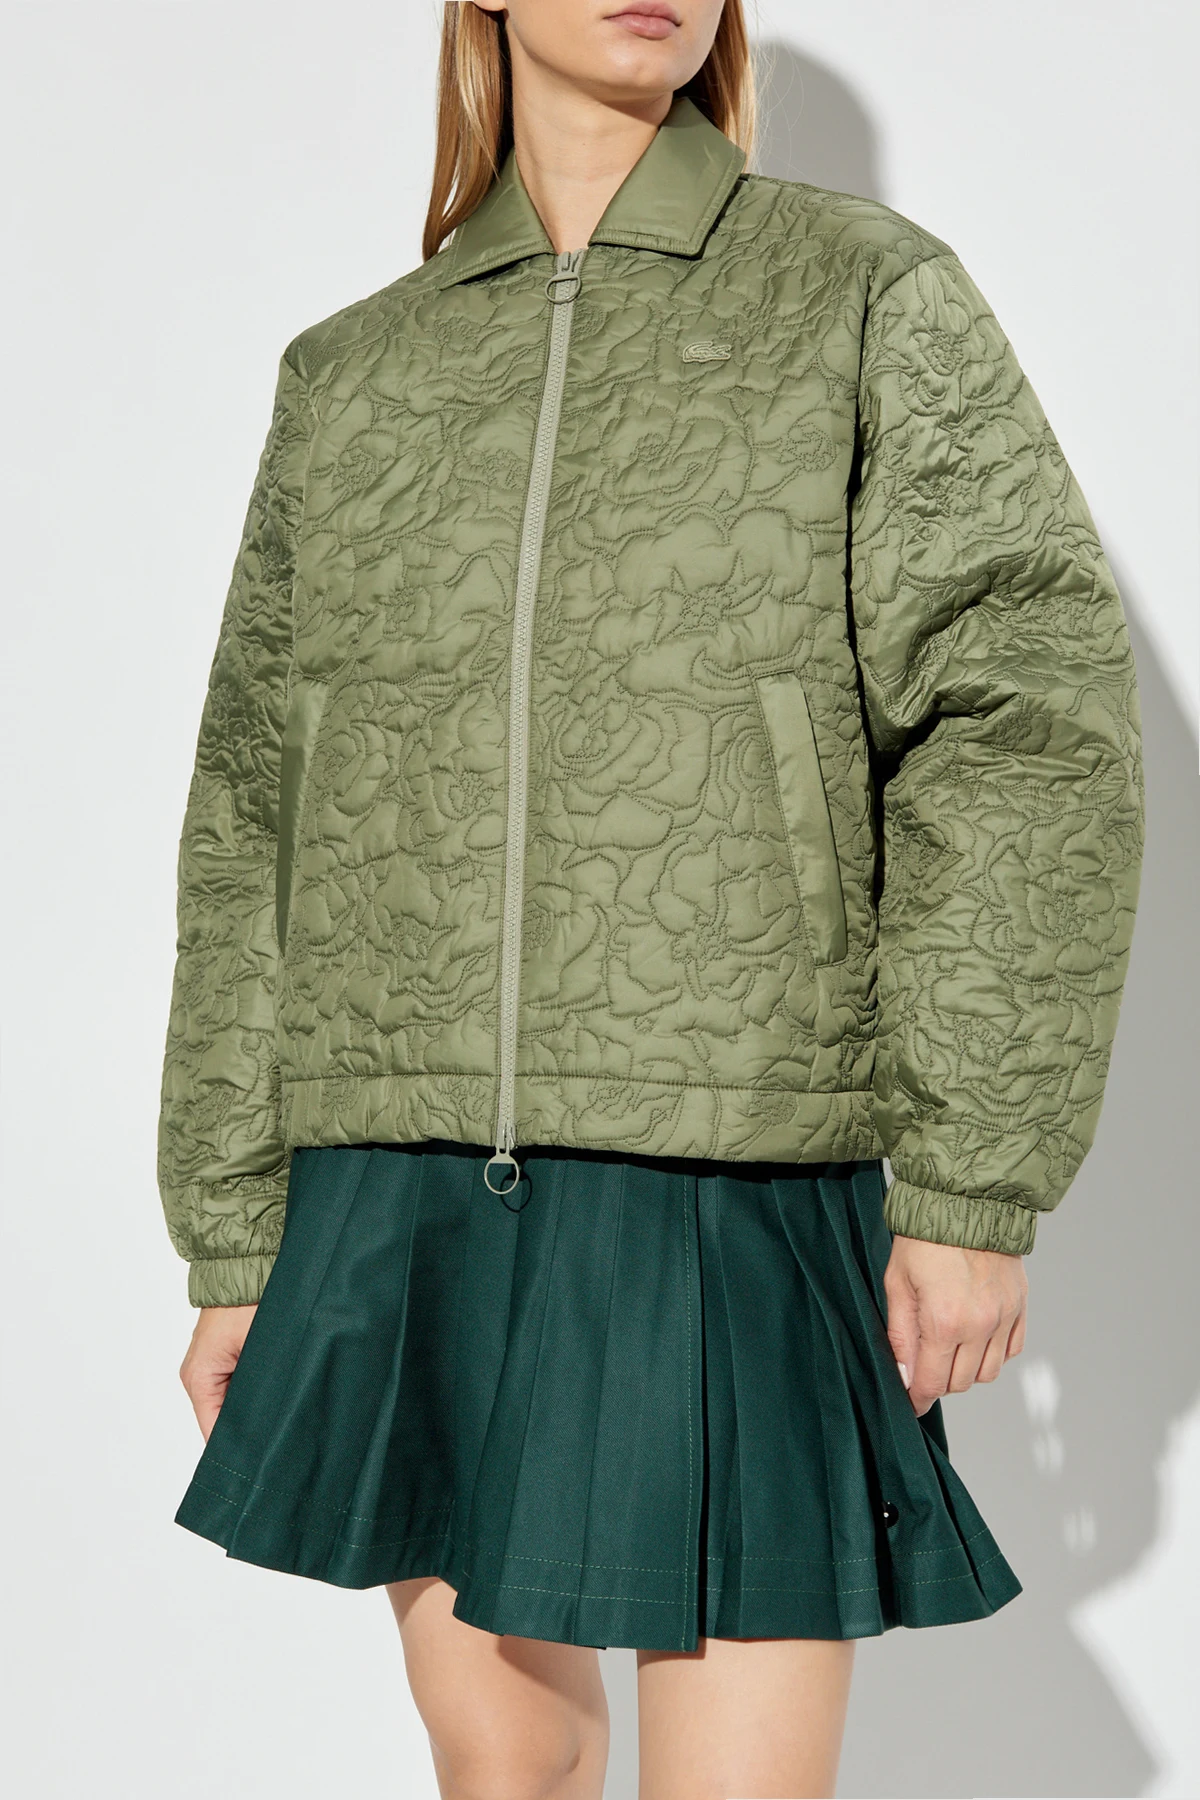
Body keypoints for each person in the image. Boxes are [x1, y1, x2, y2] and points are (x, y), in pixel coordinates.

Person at [159, 2, 1145, 1795]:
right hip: (398, 1172)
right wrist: (236, 1233)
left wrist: (975, 1179)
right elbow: (253, 813)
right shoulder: (356, 373)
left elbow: (1026, 723)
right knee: (504, 1772)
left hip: (729, 1165)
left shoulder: (859, 293)